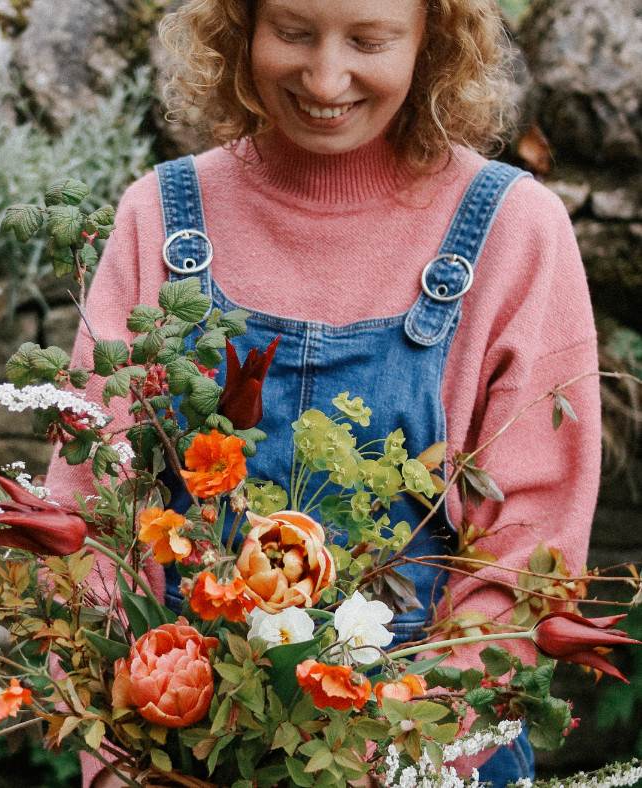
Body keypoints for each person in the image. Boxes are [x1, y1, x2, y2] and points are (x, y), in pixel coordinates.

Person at [43, 0, 601, 785]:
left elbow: (528, 550)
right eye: (294, 33)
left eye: (368, 40)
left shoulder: (515, 231)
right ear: (241, 25)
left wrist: (397, 754)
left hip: (432, 757)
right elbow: (88, 516)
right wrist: (117, 758)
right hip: (184, 759)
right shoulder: (161, 219)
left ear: (431, 39)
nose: (324, 77)